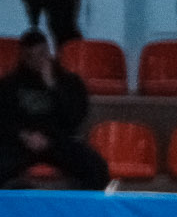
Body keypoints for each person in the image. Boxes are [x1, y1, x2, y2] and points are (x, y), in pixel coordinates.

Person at [0, 30, 106, 190]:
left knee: (95, 167)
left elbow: (74, 117)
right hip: (20, 143)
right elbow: (4, 119)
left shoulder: (69, 81)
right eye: (30, 56)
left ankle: (75, 200)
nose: (37, 61)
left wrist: (53, 87)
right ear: (23, 57)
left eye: (41, 55)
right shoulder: (9, 84)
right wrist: (24, 135)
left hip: (57, 141)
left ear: (48, 53)